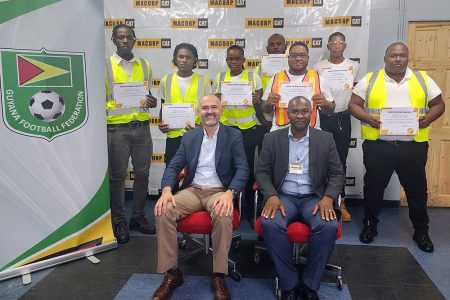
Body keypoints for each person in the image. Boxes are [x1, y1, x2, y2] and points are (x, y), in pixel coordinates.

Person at [349, 42, 445, 253]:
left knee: (416, 190)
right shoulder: (370, 79)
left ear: (407, 58)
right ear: (386, 58)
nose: (398, 59)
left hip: (412, 147)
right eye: (394, 55)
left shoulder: (422, 79)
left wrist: (427, 119)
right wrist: (369, 118)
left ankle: (421, 231)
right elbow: (353, 104)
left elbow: (439, 104)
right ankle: (370, 225)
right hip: (378, 146)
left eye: (402, 56)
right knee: (373, 188)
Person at [152, 94, 249, 300]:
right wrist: (167, 190)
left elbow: (242, 169)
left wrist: (230, 193)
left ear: (220, 110)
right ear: (199, 111)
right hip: (193, 190)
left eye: (214, 107)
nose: (210, 112)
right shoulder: (190, 137)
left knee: (223, 215)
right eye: (205, 108)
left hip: (219, 191)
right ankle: (172, 273)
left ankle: (219, 275)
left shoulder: (234, 135)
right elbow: (174, 166)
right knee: (163, 210)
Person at [256, 96, 345, 300]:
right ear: (287, 114)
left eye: (304, 111)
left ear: (311, 113)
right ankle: (290, 283)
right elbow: (261, 172)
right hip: (283, 196)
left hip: (313, 198)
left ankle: (310, 284)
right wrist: (271, 194)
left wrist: (328, 198)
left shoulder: (325, 139)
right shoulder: (272, 138)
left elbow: (338, 174)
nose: (300, 116)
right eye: (295, 111)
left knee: (328, 225)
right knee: (270, 223)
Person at [105, 24, 157, 244]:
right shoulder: (105, 65)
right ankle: (118, 221)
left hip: (142, 128)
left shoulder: (144, 64)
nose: (125, 40)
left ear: (135, 40)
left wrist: (152, 102)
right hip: (117, 129)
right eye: (120, 37)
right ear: (114, 41)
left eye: (128, 37)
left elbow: (147, 96)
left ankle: (138, 217)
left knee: (142, 175)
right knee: (117, 177)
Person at [213, 44, 265, 225]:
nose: (234, 62)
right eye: (230, 59)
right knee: (227, 170)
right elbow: (215, 104)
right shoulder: (219, 77)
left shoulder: (253, 77)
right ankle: (230, 209)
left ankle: (250, 212)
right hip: (226, 130)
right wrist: (217, 98)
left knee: (248, 171)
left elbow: (259, 103)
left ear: (244, 60)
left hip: (249, 130)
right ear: (226, 60)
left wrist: (258, 99)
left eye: (238, 58)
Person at [313, 32, 360, 222]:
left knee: (340, 162)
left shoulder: (354, 66)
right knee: (319, 161)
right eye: (333, 42)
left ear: (345, 45)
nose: (337, 45)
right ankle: (318, 199)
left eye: (340, 42)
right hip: (322, 118)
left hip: (343, 118)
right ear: (328, 45)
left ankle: (340, 202)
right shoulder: (318, 67)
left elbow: (356, 93)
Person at [261, 42, 335, 132]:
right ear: (288, 58)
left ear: (307, 58)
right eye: (294, 55)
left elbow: (331, 109)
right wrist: (268, 103)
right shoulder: (276, 78)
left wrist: (325, 104)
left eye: (302, 55)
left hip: (310, 132)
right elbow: (265, 109)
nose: (298, 58)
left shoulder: (318, 79)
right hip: (280, 131)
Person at [158, 43, 212, 165]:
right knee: (172, 173)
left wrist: (202, 127)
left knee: (195, 175)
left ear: (194, 60)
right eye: (181, 57)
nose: (184, 60)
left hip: (196, 136)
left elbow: (210, 111)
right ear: (175, 59)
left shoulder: (203, 81)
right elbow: (163, 106)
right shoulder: (166, 80)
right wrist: (161, 124)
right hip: (173, 137)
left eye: (188, 57)